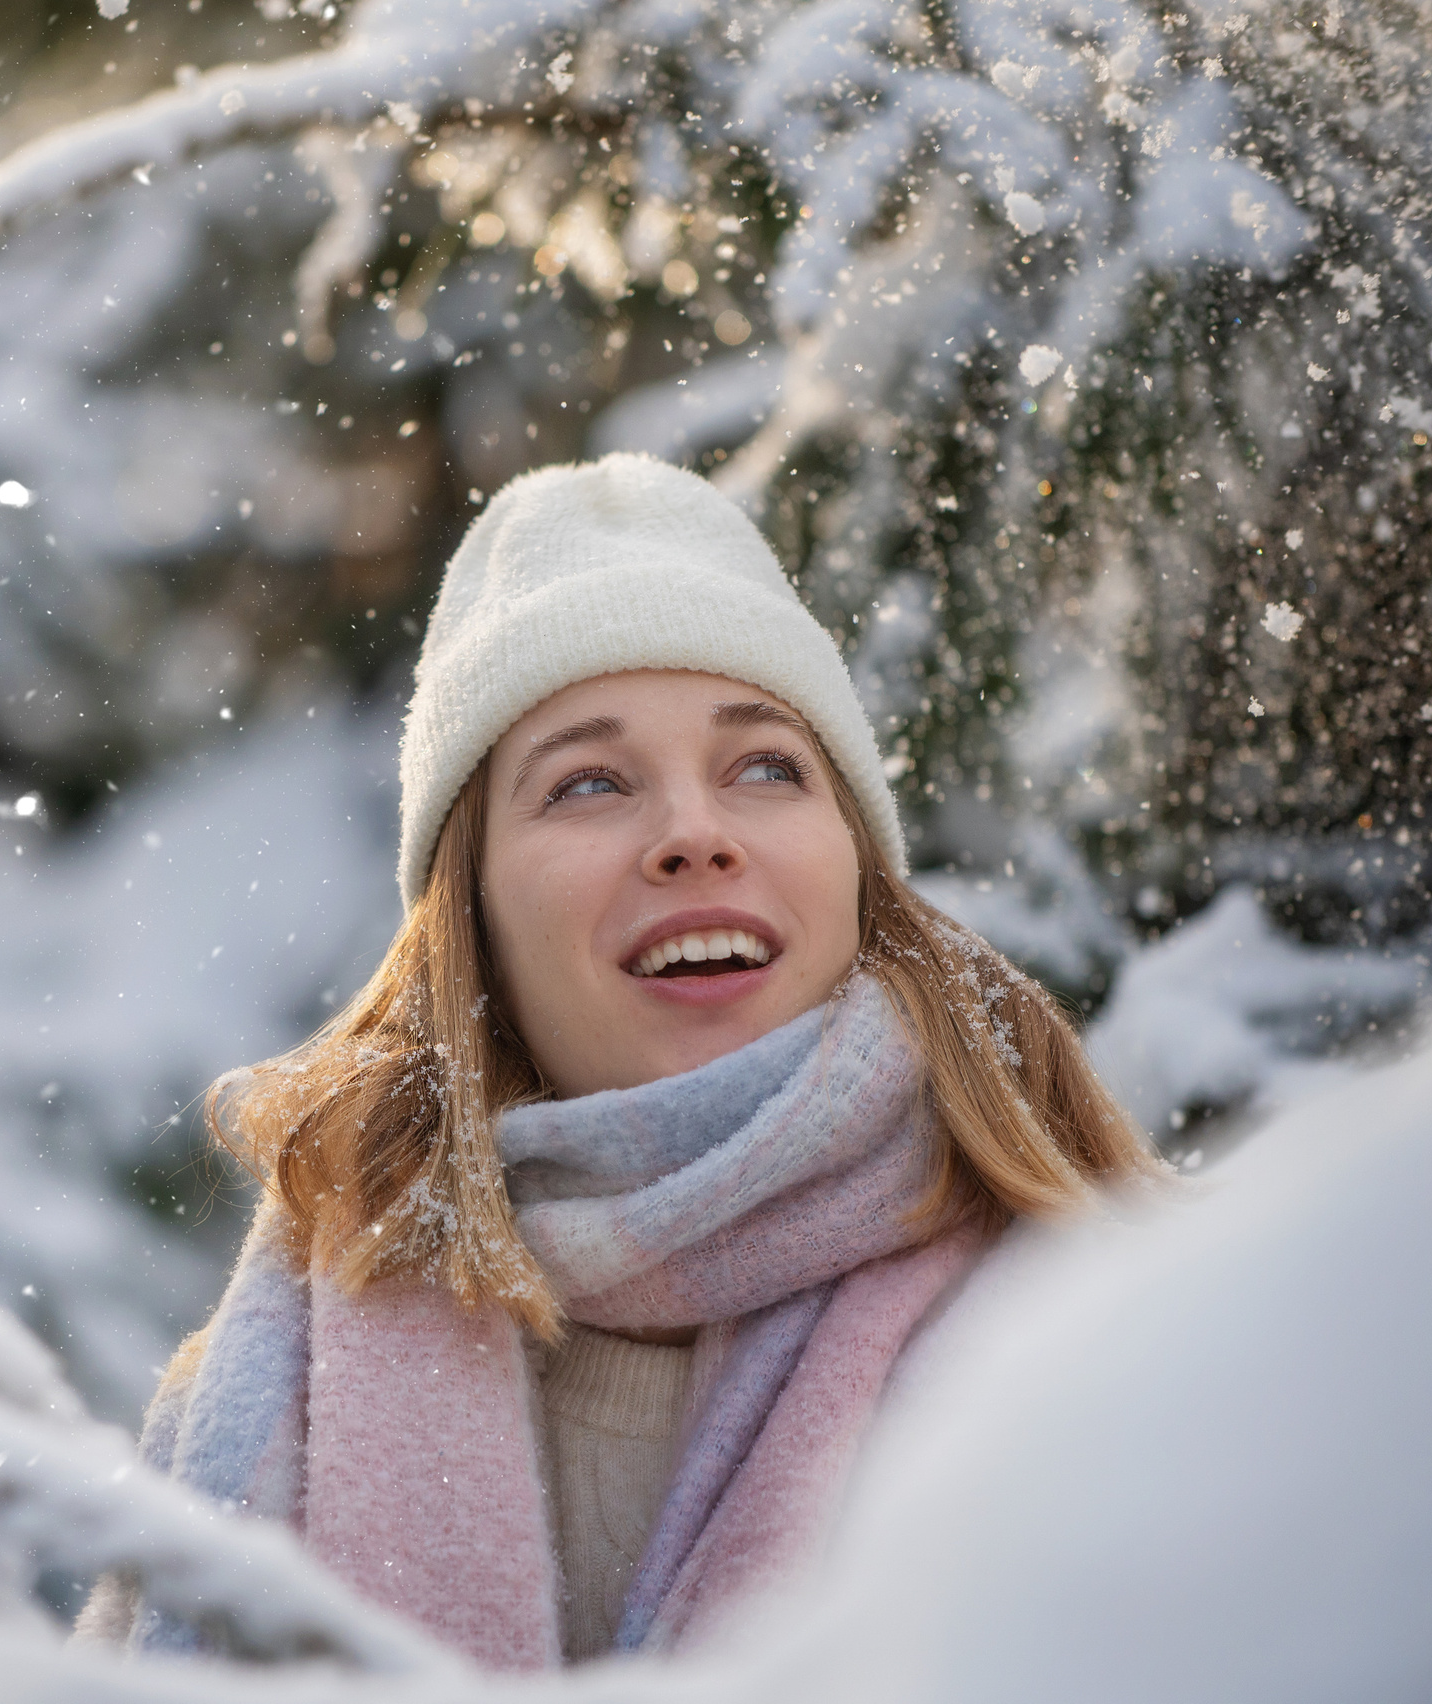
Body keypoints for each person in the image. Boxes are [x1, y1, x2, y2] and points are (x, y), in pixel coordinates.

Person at [76, 453, 1165, 1667]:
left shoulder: (1088, 1333)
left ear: (856, 864)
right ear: (469, 912)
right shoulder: (279, 1384)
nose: (694, 835)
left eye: (766, 767)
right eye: (588, 783)